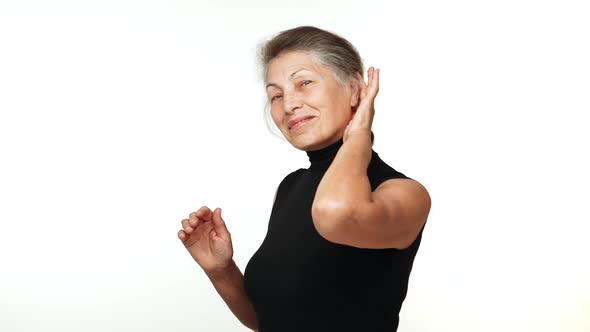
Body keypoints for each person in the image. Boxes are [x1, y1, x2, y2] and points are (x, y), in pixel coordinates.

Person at [177, 25, 431, 332]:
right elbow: (270, 320)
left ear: (355, 89)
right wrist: (221, 271)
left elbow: (336, 212)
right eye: (276, 95)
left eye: (304, 83)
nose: (288, 104)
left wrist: (360, 134)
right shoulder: (291, 187)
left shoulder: (404, 193)